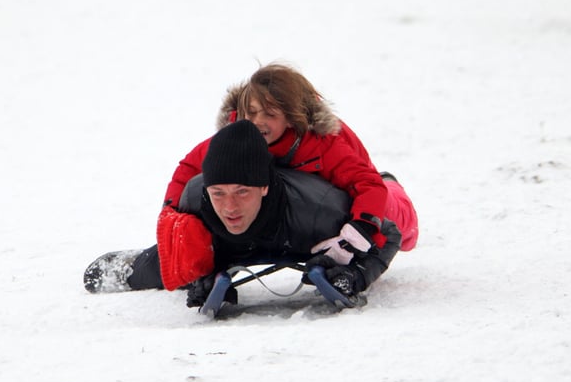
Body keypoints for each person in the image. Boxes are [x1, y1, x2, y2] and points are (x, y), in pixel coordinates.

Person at [84, 120, 401, 306]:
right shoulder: (198, 202)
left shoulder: (322, 211)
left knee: (396, 210)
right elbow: (162, 257)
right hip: (247, 227)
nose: (229, 207)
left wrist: (356, 275)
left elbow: (389, 232)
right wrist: (192, 272)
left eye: (242, 193)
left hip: (356, 196)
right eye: (218, 193)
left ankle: (392, 183)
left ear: (263, 187)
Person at [163, 62, 418, 254]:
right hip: (297, 196)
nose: (257, 122)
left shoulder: (321, 144)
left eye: (269, 114)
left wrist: (361, 227)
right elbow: (189, 168)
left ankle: (393, 186)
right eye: (250, 113)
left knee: (395, 219)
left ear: (290, 116)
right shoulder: (236, 139)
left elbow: (367, 184)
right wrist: (170, 214)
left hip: (355, 185)